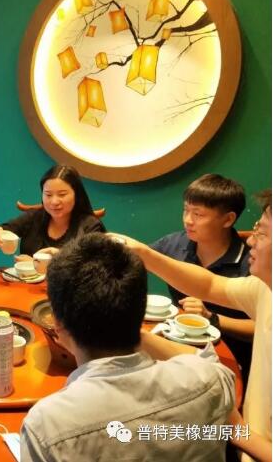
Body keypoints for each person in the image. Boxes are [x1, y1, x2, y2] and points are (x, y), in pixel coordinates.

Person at [21, 233, 235, 461]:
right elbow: (206, 359)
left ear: (58, 326)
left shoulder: (47, 426)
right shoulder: (211, 379)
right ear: (141, 311)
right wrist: (130, 326)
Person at [111, 190, 271, 462]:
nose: (251, 240)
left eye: (263, 233)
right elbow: (209, 284)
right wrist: (142, 253)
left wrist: (237, 431)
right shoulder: (264, 289)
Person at [150, 174, 253, 384]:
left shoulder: (251, 261)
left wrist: (211, 317)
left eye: (198, 214)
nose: (188, 220)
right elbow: (135, 260)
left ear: (228, 219)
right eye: (186, 210)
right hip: (180, 352)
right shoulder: (175, 244)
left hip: (230, 363)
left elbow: (262, 327)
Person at [0, 165, 105, 258]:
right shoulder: (34, 217)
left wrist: (38, 263)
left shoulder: (90, 226)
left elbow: (94, 264)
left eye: (62, 194)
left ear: (76, 195)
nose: (54, 201)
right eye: (48, 195)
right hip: (27, 282)